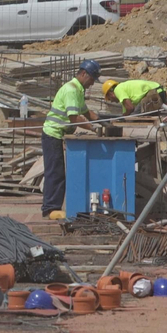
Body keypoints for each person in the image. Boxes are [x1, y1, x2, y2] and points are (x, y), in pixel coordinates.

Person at [41, 59, 100, 220]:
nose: (92, 84)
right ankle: (50, 208)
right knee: (55, 172)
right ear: (83, 74)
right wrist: (94, 128)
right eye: (92, 79)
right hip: (52, 134)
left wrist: (102, 121)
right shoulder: (71, 90)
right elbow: (74, 118)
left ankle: (52, 206)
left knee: (57, 172)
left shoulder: (78, 90)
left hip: (56, 135)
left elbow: (87, 113)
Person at [101, 78, 167, 117]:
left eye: (109, 99)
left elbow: (130, 108)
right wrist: (123, 118)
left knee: (136, 116)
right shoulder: (124, 97)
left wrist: (121, 119)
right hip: (160, 92)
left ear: (110, 93)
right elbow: (126, 113)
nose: (112, 101)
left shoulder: (117, 89)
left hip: (154, 93)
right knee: (146, 118)